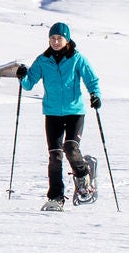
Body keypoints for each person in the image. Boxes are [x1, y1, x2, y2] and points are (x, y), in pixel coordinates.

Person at [17, 22, 102, 210]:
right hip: (52, 113)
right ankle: (56, 198)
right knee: (55, 157)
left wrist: (95, 96)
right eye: (52, 38)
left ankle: (83, 176)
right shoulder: (43, 60)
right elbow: (29, 84)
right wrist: (22, 76)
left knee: (70, 148)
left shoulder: (77, 59)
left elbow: (92, 80)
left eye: (59, 38)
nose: (55, 42)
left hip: (75, 112)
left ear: (67, 39)